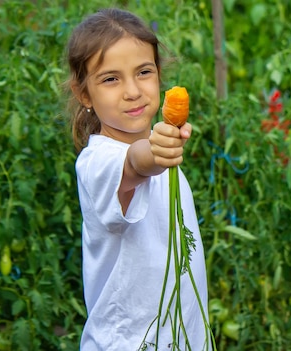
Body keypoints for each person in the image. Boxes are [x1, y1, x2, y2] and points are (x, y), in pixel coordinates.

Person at [65, 8, 209, 351]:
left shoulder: (168, 163)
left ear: (159, 76)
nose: (132, 91)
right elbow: (134, 165)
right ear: (84, 94)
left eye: (143, 72)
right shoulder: (97, 162)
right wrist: (155, 153)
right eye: (111, 79)